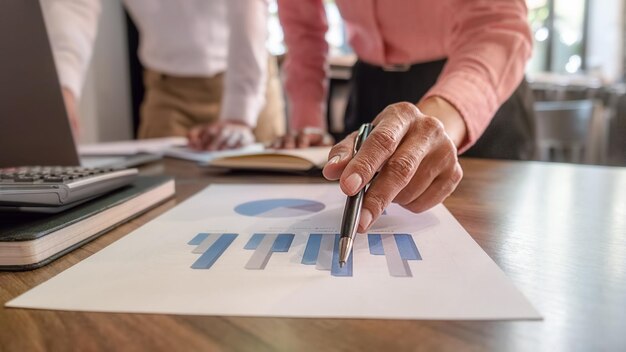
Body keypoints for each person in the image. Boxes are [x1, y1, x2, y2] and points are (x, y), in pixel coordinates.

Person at [276, 0, 534, 231]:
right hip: (370, 87)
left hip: (470, 90)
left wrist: (441, 114)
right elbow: (303, 30)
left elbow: (498, 24)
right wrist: (308, 120)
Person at [42, 0, 284, 150]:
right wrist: (63, 87)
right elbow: (73, 6)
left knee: (265, 197)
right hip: (168, 90)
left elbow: (247, 6)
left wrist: (239, 114)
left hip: (250, 79)